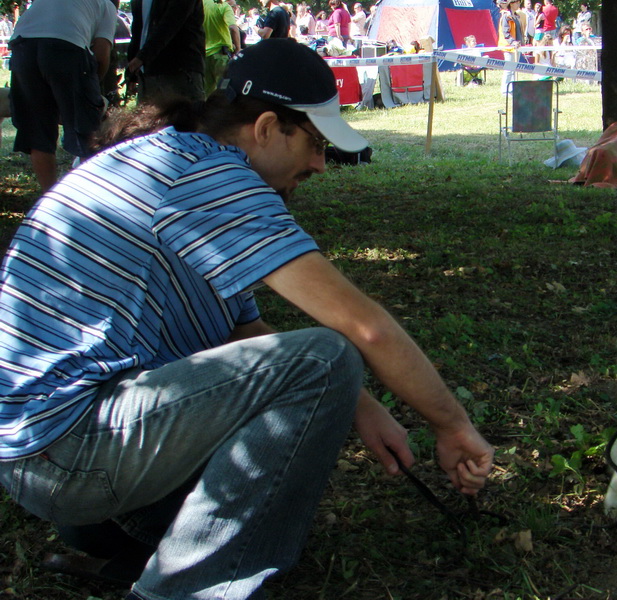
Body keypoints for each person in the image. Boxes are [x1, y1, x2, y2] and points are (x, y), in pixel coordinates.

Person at [0, 38, 494, 600]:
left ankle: (131, 528)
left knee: (314, 377)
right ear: (265, 128)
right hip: (72, 452)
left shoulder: (169, 159)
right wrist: (451, 425)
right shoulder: (212, 178)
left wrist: (362, 406)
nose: (319, 164)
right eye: (314, 143)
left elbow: (241, 332)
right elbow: (364, 326)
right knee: (325, 356)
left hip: (39, 453)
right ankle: (182, 588)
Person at [7, 0, 116, 192]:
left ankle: (49, 199)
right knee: (86, 131)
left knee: (38, 132)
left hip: (22, 46)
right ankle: (87, 198)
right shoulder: (106, 5)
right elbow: (101, 55)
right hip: (66, 48)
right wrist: (92, 90)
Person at [127, 0, 205, 103]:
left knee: (187, 117)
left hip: (180, 71)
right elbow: (138, 29)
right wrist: (131, 73)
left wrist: (142, 57)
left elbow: (172, 22)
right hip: (147, 73)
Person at [202, 0, 242, 97]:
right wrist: (238, 49)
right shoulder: (224, 6)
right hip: (221, 57)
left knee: (207, 92)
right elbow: (233, 28)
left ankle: (208, 111)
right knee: (224, 90)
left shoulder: (201, 4)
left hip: (204, 56)